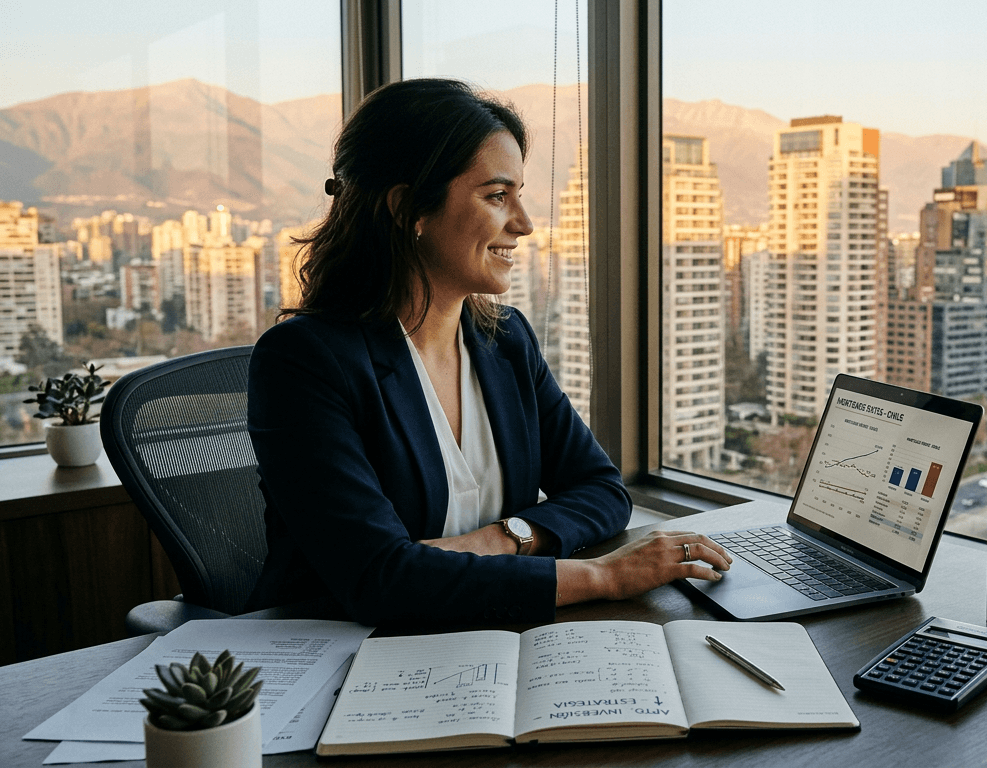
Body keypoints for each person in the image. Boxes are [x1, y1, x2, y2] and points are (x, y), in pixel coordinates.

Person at [244, 78, 730, 625]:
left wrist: (503, 539)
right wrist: (604, 576)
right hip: (345, 648)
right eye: (498, 196)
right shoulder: (303, 363)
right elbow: (379, 579)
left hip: (490, 635)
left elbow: (601, 489)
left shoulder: (506, 340)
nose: (523, 223)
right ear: (407, 208)